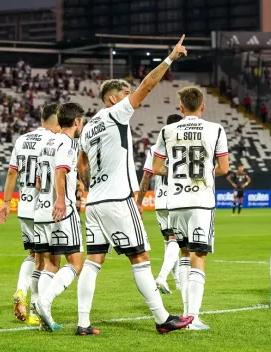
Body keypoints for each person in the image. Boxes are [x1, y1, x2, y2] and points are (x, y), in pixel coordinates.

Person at [76, 35, 193, 336]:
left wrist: (91, 186)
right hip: (117, 199)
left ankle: (83, 322)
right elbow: (147, 86)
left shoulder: (88, 127)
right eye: (125, 92)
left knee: (93, 261)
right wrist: (169, 59)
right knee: (139, 257)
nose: (131, 95)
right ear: (113, 98)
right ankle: (162, 318)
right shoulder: (117, 113)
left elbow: (82, 166)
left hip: (95, 203)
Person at [153, 86, 229, 330]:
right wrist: (204, 174)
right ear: (203, 106)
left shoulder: (167, 130)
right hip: (201, 201)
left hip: (175, 202)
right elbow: (224, 168)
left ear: (181, 108)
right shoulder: (215, 129)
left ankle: (185, 315)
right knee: (198, 256)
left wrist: (177, 175)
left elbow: (156, 167)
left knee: (184, 254)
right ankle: (193, 317)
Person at [0, 103, 60, 325]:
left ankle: (21, 291)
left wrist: (6, 203)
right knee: (47, 261)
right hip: (44, 207)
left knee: (34, 256)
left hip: (24, 206)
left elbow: (12, 172)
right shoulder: (53, 141)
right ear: (56, 121)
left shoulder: (22, 140)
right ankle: (35, 308)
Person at [33, 102, 85, 331]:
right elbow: (60, 171)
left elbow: (37, 180)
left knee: (51, 262)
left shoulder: (47, 142)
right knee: (76, 263)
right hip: (62, 211)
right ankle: (45, 302)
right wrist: (62, 199)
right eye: (81, 121)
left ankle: (42, 309)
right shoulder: (67, 142)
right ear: (76, 122)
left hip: (42, 209)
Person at [137, 114, 183, 294]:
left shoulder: (156, 147)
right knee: (176, 241)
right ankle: (162, 278)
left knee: (169, 242)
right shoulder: (182, 146)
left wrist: (139, 201)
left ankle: (177, 282)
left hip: (160, 201)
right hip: (177, 198)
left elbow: (147, 176)